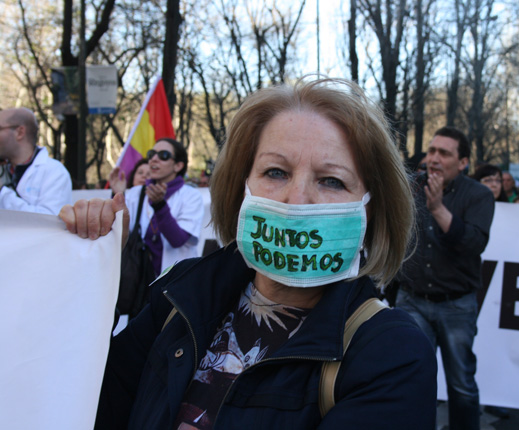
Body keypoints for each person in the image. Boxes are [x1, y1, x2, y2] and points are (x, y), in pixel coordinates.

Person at [59, 77, 437, 429]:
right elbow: (84, 403)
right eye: (276, 172)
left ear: (370, 209)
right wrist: (92, 269)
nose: (297, 200)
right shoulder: (180, 294)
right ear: (242, 187)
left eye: (331, 180)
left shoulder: (392, 354)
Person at [396, 126, 495, 430]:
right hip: (412, 300)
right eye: (431, 151)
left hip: (456, 306)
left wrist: (437, 208)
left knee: (461, 384)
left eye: (444, 153)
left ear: (463, 162)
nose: (434, 158)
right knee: (410, 381)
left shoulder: (479, 195)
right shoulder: (411, 186)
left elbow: (474, 244)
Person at [125, 138, 204, 277]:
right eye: (151, 154)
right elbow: (121, 234)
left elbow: (177, 240)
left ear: (178, 166)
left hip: (177, 283)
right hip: (139, 285)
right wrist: (117, 194)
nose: (154, 159)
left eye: (163, 155)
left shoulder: (191, 196)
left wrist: (160, 206)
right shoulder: (135, 194)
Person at [0, 107, 72, 214]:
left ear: (20, 132)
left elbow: (47, 220)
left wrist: (2, 192)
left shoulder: (55, 172)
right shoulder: (4, 170)